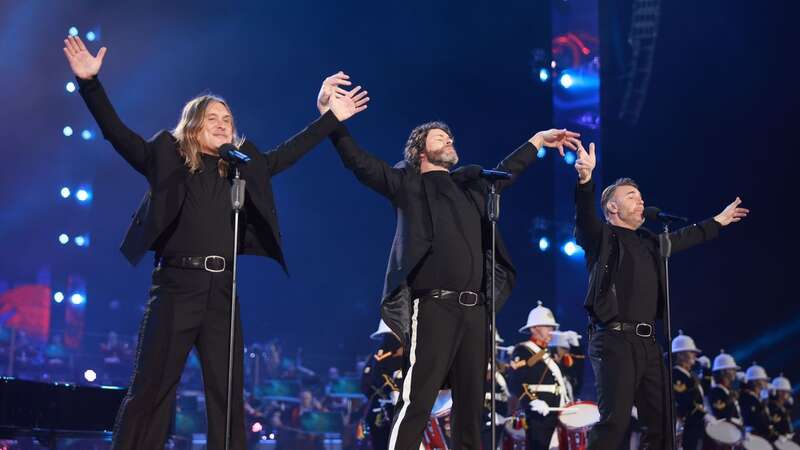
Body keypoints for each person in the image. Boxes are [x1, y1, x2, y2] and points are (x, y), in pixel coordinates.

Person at [62, 35, 368, 450]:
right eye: (212, 118)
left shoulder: (240, 169)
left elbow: (286, 154)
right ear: (192, 126)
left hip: (224, 290)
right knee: (153, 388)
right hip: (176, 286)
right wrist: (90, 85)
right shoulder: (167, 157)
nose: (223, 123)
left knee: (227, 395)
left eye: (227, 118)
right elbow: (119, 136)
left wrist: (329, 117)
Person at [318, 83, 580, 449]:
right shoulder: (407, 185)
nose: (450, 140)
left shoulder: (472, 188)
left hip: (475, 311)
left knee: (472, 406)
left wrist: (537, 141)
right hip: (434, 305)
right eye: (441, 137)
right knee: (419, 399)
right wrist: (332, 120)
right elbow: (358, 162)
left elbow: (506, 171)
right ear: (420, 150)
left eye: (450, 136)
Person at [572, 141, 749, 450]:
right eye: (631, 197)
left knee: (662, 424)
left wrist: (716, 222)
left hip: (649, 344)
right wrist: (586, 180)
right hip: (614, 340)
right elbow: (585, 219)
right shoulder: (602, 237)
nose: (641, 202)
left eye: (641, 197)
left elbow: (681, 238)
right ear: (612, 208)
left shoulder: (649, 241)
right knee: (615, 422)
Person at [508, 302, 568, 450]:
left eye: (552, 327)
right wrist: (533, 401)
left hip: (556, 410)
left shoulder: (548, 351)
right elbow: (516, 381)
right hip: (538, 413)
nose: (552, 330)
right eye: (547, 326)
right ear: (534, 328)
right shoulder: (523, 350)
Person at [670, 331, 706, 450]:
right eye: (692, 352)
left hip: (694, 423)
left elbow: (703, 394)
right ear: (680, 355)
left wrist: (708, 373)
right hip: (684, 424)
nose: (695, 355)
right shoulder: (676, 374)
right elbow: (683, 400)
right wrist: (703, 415)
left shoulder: (690, 375)